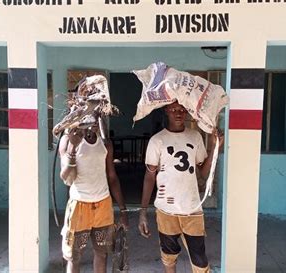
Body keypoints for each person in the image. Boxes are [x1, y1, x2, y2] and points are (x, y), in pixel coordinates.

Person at [138, 101, 223, 273]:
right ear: (166, 111)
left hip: (192, 208)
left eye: (183, 110)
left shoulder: (195, 137)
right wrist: (143, 212)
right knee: (169, 258)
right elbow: (149, 177)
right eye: (174, 109)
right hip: (166, 210)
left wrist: (214, 146)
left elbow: (203, 173)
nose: (178, 113)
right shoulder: (157, 141)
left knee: (200, 260)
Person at [59, 124, 128, 273]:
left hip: (103, 205)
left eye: (98, 113)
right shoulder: (67, 139)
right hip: (79, 206)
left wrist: (123, 210)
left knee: (102, 253)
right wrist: (72, 148)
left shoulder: (105, 143)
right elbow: (66, 179)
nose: (95, 119)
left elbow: (112, 177)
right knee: (74, 257)